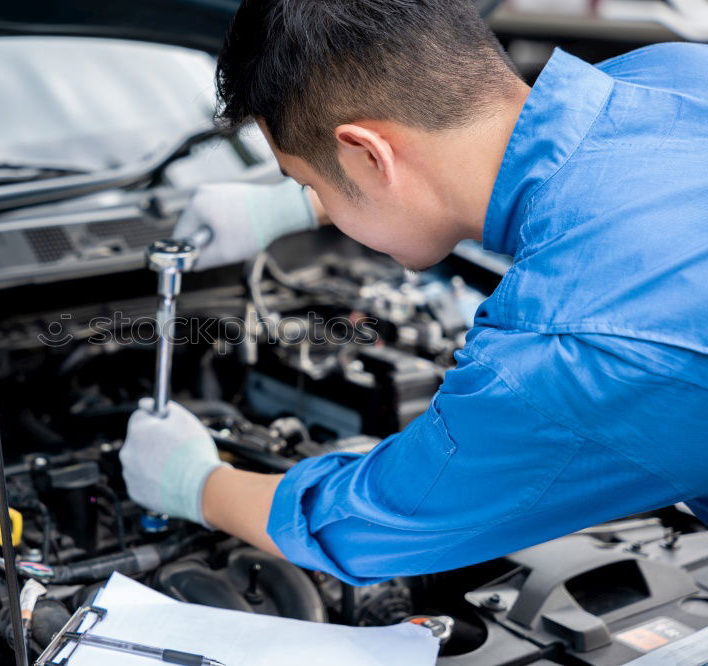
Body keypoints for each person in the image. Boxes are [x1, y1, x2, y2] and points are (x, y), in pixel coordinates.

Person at [119, 0, 708, 585]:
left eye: (304, 178)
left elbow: (377, 521)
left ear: (372, 155)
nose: (310, 193)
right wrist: (317, 199)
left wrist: (197, 483)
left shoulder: (567, 346)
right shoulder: (675, 73)